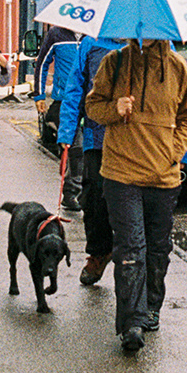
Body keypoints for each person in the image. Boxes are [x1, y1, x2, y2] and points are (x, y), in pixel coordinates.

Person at [84, 38, 187, 355]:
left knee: (157, 247)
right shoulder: (114, 62)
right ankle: (131, 323)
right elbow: (92, 107)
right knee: (131, 246)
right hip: (121, 173)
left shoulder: (176, 67)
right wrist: (113, 108)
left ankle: (150, 308)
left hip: (163, 175)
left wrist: (172, 153)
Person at [56, 33, 117, 285]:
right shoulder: (92, 42)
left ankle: (135, 260)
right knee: (93, 200)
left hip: (137, 142)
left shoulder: (152, 40)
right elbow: (75, 89)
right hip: (97, 137)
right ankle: (99, 252)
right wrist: (67, 131)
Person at [32, 23, 83, 210]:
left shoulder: (92, 34)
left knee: (88, 148)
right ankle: (71, 193)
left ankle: (82, 189)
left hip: (88, 99)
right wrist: (39, 95)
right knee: (75, 147)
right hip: (64, 100)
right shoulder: (57, 33)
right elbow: (42, 63)